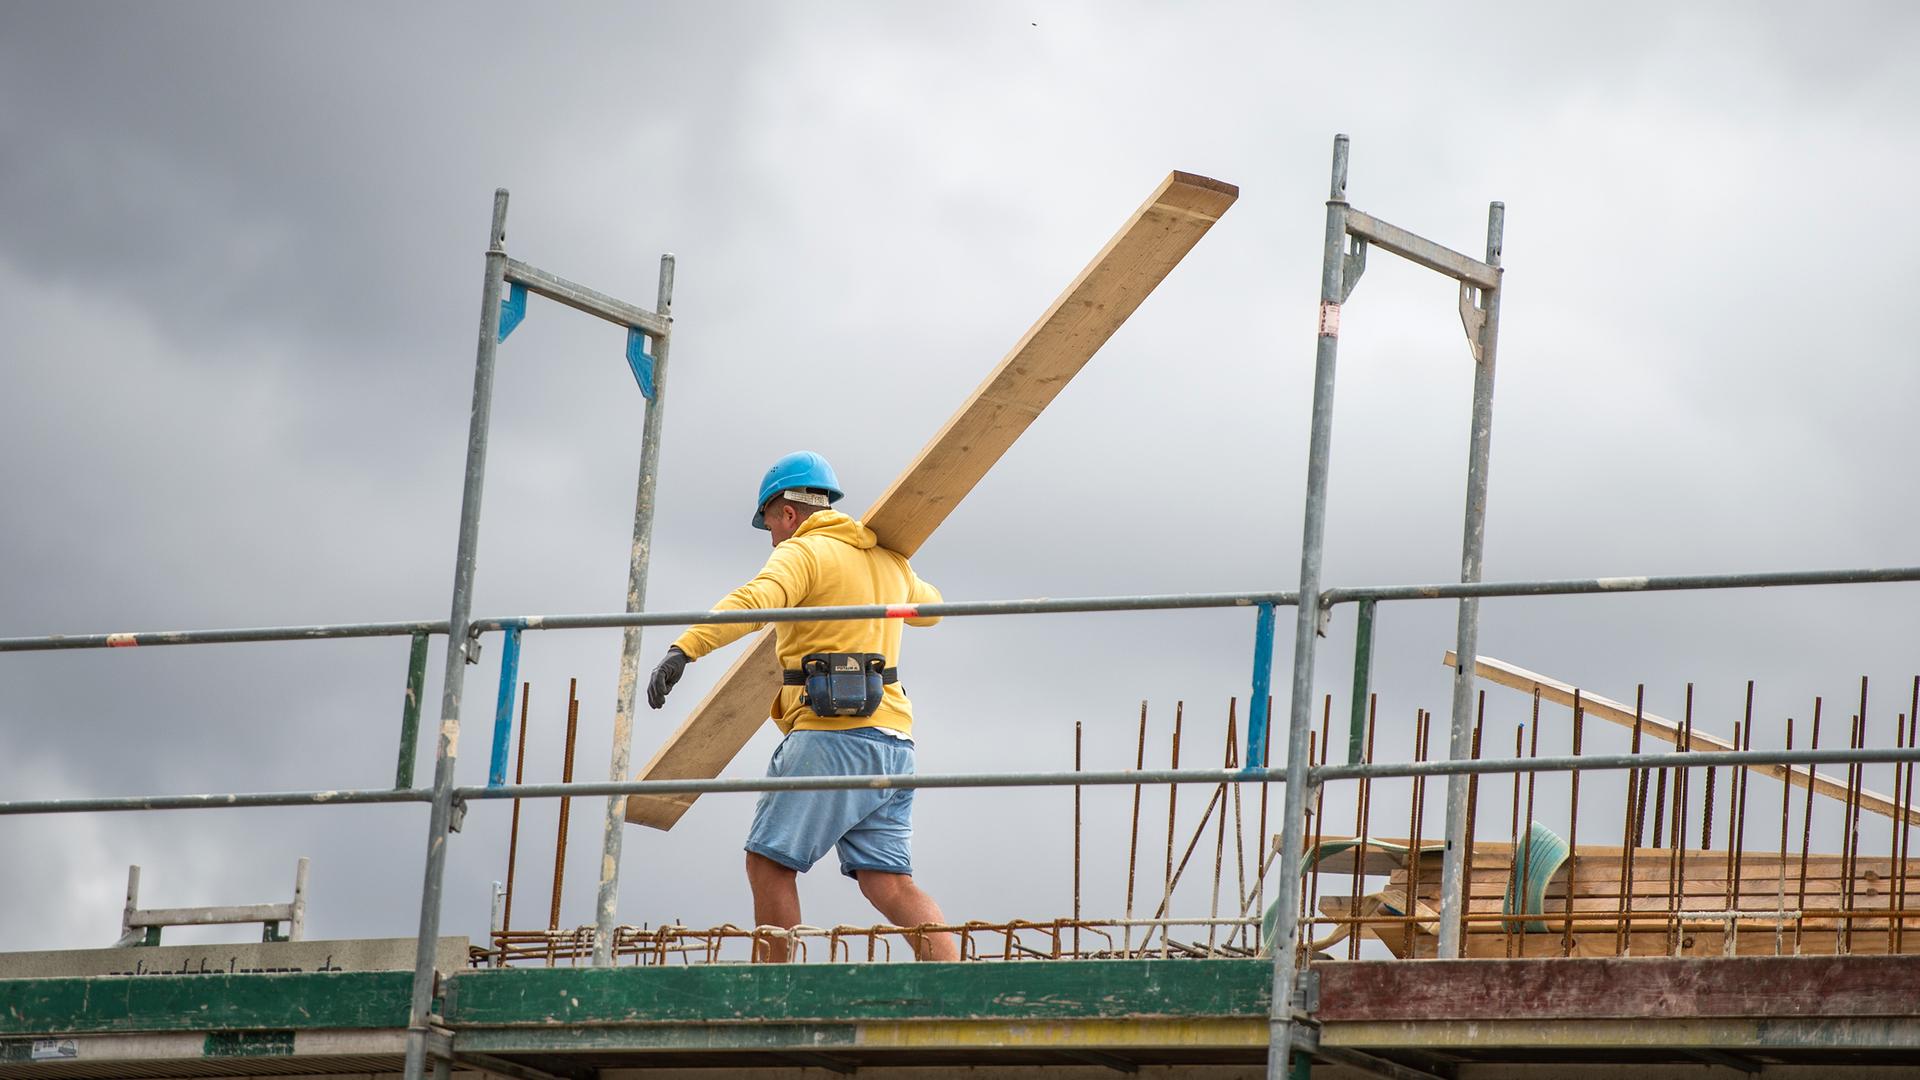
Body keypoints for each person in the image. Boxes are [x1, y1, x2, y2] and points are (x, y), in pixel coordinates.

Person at [646, 450, 957, 962]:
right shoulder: (886, 560)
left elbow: (756, 600)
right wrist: (889, 569)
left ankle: (775, 991)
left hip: (830, 738)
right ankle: (954, 982)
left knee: (768, 864)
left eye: (769, 522)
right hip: (894, 744)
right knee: (888, 881)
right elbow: (933, 611)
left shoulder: (803, 552)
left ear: (787, 513)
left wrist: (687, 648)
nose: (770, 536)